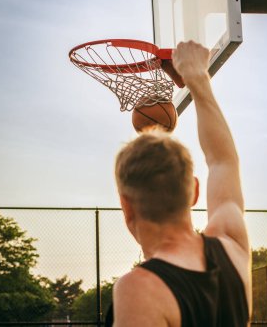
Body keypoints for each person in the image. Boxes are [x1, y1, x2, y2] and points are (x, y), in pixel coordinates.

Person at [108, 40, 251, 326]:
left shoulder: (138, 290)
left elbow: (222, 161)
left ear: (126, 204)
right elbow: (223, 161)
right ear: (194, 191)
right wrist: (197, 77)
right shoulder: (232, 244)